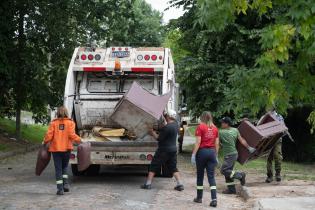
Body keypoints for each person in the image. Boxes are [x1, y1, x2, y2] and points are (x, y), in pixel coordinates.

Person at [141, 110, 184, 191]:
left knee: (153, 165)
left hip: (164, 150)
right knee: (173, 167)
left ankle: (148, 184)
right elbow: (166, 130)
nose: (165, 116)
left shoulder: (167, 127)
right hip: (173, 150)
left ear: (168, 116)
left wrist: (152, 132)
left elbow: (159, 138)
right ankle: (180, 184)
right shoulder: (176, 125)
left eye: (166, 115)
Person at [44, 106, 81, 195]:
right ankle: (66, 185)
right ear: (66, 113)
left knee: (58, 169)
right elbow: (72, 135)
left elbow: (49, 136)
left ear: (58, 113)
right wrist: (80, 140)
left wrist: (45, 142)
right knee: (64, 167)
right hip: (66, 149)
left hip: (56, 150)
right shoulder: (71, 123)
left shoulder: (53, 123)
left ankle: (60, 189)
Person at [219, 117, 255, 194]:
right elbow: (241, 140)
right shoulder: (235, 130)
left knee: (224, 170)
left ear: (226, 124)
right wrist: (249, 148)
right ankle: (231, 189)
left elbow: (218, 143)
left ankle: (240, 175)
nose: (221, 124)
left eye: (222, 123)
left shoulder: (221, 132)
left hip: (229, 155)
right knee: (228, 173)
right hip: (234, 154)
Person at [191, 111, 219, 208]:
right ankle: (214, 199)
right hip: (211, 153)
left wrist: (193, 155)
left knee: (200, 176)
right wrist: (216, 155)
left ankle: (199, 197)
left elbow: (198, 142)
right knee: (211, 177)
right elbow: (217, 144)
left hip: (202, 153)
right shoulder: (215, 128)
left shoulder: (200, 127)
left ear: (202, 118)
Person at [265, 110, 285, 183]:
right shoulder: (265, 117)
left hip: (277, 139)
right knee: (269, 158)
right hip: (268, 140)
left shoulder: (279, 117)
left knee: (278, 156)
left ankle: (278, 174)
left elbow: (282, 128)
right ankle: (269, 176)